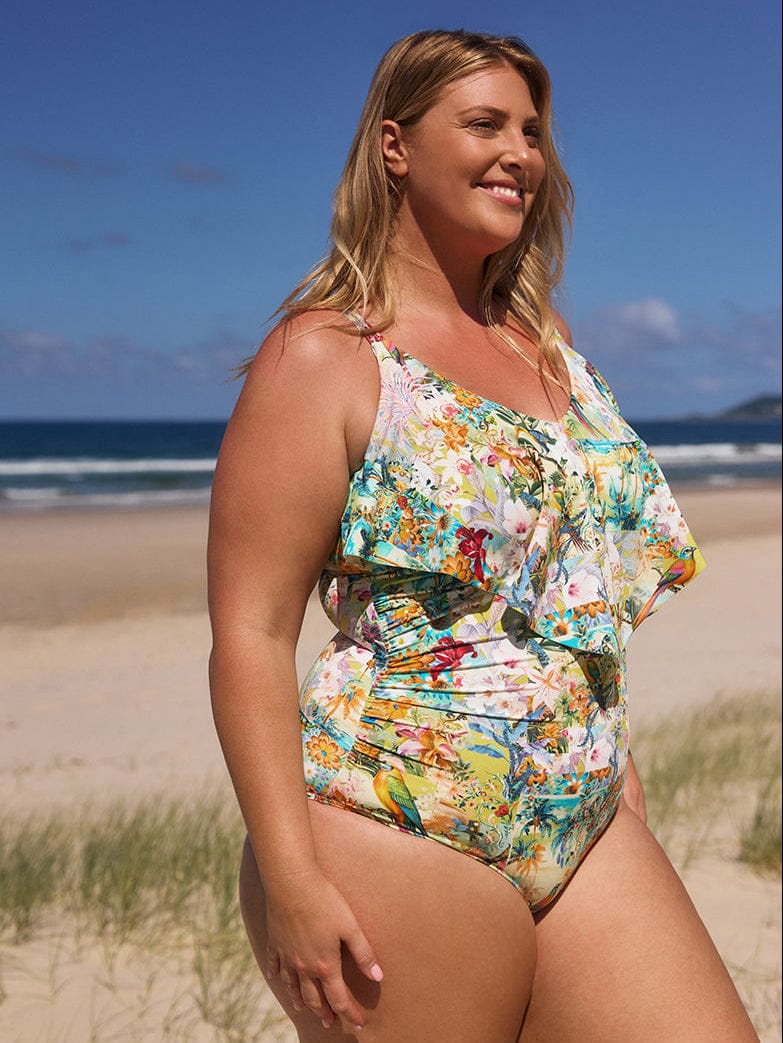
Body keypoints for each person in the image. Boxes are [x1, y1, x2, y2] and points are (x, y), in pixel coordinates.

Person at [207, 29, 759, 1041]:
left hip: (584, 816)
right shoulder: (328, 355)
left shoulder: (551, 350)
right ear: (395, 146)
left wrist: (611, 750)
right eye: (484, 124)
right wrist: (289, 876)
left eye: (532, 132)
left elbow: (562, 590)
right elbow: (250, 630)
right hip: (397, 816)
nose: (519, 153)